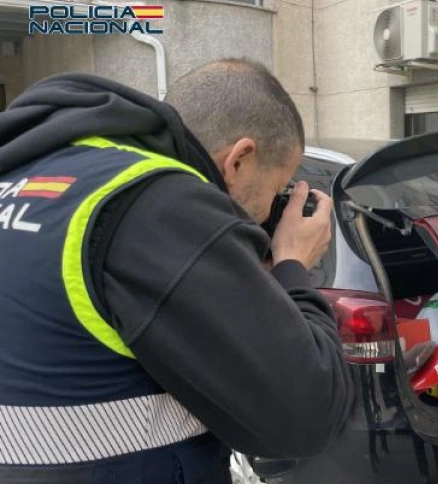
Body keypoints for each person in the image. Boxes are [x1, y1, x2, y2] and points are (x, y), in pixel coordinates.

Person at [0, 59, 353, 483]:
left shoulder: (37, 174)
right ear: (239, 159)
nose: (270, 210)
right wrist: (293, 263)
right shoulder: (161, 206)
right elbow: (307, 417)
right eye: (278, 189)